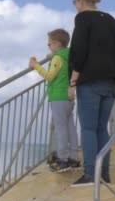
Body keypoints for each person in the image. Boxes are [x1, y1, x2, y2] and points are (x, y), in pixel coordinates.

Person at [68, 0, 115, 186]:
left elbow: (79, 50)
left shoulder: (83, 18)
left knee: (89, 128)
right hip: (111, 81)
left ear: (80, 1)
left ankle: (90, 174)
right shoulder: (110, 20)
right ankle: (104, 174)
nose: (75, 7)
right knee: (102, 128)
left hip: (90, 81)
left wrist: (73, 81)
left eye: (75, 3)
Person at [29, 29, 80, 173]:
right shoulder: (68, 54)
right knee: (70, 127)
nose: (48, 46)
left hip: (58, 97)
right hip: (69, 97)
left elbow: (50, 76)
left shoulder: (57, 58)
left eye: (49, 44)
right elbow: (62, 62)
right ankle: (74, 158)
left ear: (57, 44)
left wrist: (36, 66)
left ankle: (63, 159)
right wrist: (53, 56)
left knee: (60, 129)